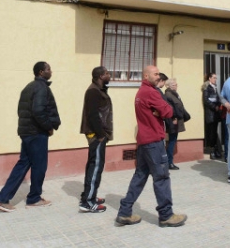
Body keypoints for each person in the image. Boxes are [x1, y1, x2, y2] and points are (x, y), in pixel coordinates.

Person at [116, 66, 186, 227]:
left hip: (143, 141)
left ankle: (125, 211)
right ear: (146, 75)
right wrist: (161, 110)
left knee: (140, 175)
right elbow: (168, 112)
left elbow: (161, 111)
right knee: (161, 177)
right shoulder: (152, 92)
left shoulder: (141, 92)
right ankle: (166, 215)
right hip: (154, 142)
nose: (158, 76)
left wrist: (158, 111)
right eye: (155, 74)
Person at [0, 62, 61, 212]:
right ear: (41, 72)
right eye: (49, 69)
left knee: (23, 163)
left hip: (27, 132)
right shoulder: (41, 88)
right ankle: (34, 198)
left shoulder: (28, 87)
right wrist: (48, 127)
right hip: (37, 133)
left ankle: (2, 198)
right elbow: (38, 111)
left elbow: (21, 111)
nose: (51, 71)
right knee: (39, 166)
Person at [78, 66, 113, 213]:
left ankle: (88, 195)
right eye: (106, 74)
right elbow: (92, 115)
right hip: (96, 135)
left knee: (93, 165)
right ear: (100, 76)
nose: (109, 75)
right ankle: (88, 202)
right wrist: (100, 135)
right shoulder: (93, 91)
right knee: (96, 166)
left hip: (98, 134)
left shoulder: (98, 90)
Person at [164, 78, 187, 170]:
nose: (176, 86)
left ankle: (169, 162)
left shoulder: (174, 94)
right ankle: (169, 162)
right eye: (174, 85)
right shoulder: (168, 95)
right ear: (169, 86)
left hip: (177, 120)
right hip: (173, 121)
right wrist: (174, 117)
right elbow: (171, 108)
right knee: (172, 141)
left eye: (176, 84)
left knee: (173, 141)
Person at [202, 73, 223, 160]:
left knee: (214, 133)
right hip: (210, 114)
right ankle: (211, 151)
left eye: (216, 78)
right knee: (211, 133)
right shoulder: (207, 88)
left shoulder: (214, 87)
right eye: (214, 78)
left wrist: (219, 104)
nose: (215, 79)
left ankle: (216, 150)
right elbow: (206, 100)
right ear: (210, 78)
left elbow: (217, 98)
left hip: (215, 114)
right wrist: (215, 107)